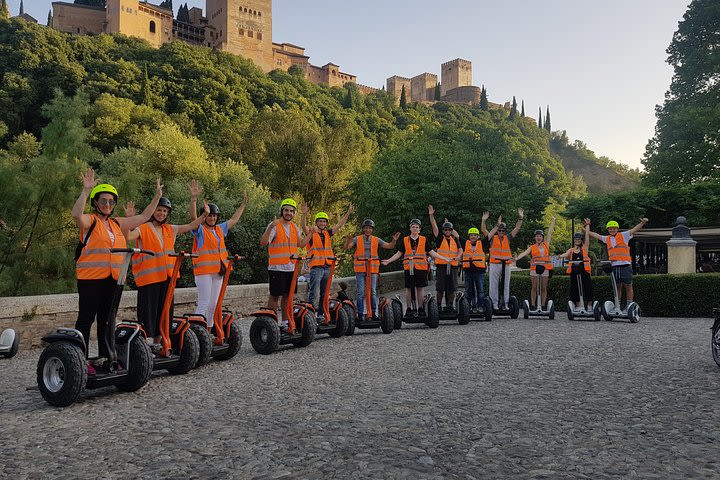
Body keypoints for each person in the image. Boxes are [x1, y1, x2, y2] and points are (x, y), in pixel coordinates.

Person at [72, 168, 163, 368]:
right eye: (103, 201)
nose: (107, 204)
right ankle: (79, 360)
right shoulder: (91, 220)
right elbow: (76, 215)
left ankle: (106, 357)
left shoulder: (116, 223)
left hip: (113, 279)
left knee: (107, 320)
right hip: (90, 278)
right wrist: (86, 191)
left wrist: (157, 197)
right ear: (96, 202)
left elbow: (144, 216)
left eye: (111, 202)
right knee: (86, 319)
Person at [125, 193, 209, 346]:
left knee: (164, 313)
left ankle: (157, 344)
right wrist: (130, 219)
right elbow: (129, 236)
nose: (162, 213)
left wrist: (203, 212)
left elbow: (191, 226)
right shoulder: (143, 228)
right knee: (147, 313)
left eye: (165, 211)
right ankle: (142, 346)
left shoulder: (170, 229)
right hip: (149, 279)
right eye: (159, 210)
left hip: (167, 278)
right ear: (153, 211)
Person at [189, 180, 247, 328]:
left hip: (218, 272)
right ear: (205, 216)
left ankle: (207, 332)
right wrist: (194, 199)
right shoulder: (200, 230)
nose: (212, 218)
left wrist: (243, 205)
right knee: (204, 302)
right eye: (209, 216)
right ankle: (196, 331)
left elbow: (233, 220)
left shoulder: (219, 229)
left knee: (214, 304)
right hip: (204, 272)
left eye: (214, 216)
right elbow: (193, 219)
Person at [382, 219, 450, 316]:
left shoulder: (423, 239)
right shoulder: (405, 240)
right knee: (409, 288)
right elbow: (399, 254)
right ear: (410, 229)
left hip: (421, 268)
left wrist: (443, 258)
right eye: (413, 227)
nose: (415, 228)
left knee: (420, 288)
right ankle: (409, 309)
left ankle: (421, 308)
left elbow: (431, 252)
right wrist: (388, 261)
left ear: (419, 230)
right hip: (409, 267)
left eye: (417, 227)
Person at [300, 205, 353, 320]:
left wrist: (348, 213)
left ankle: (321, 315)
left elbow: (339, 225)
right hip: (316, 268)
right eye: (320, 221)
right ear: (316, 222)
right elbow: (303, 226)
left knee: (324, 294)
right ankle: (310, 316)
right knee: (314, 293)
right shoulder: (311, 233)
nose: (322, 223)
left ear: (326, 223)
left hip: (327, 267)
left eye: (324, 221)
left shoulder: (327, 233)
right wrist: (304, 214)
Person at [586, 217, 649, 310]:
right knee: (617, 287)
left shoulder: (624, 235)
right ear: (608, 230)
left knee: (628, 285)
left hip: (625, 265)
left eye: (614, 228)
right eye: (610, 229)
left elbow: (634, 229)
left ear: (617, 229)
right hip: (614, 266)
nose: (612, 230)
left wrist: (642, 223)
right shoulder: (607, 238)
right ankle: (617, 305)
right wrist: (587, 225)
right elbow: (595, 235)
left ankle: (629, 305)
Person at [260, 198, 304, 327]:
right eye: (286, 210)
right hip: (277, 267)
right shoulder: (274, 225)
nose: (288, 213)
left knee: (287, 296)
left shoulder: (294, 227)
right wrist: (270, 228)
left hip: (291, 268)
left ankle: (285, 322)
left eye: (291, 211)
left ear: (294, 213)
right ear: (282, 211)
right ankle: (271, 324)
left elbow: (300, 244)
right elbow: (263, 242)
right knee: (274, 296)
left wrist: (311, 233)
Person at [344, 219, 400, 320]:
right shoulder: (357, 239)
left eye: (370, 228)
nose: (368, 230)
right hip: (360, 268)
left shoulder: (376, 239)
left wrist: (394, 240)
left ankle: (373, 313)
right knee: (360, 292)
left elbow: (389, 246)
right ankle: (360, 314)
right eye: (366, 228)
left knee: (373, 291)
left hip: (373, 269)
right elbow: (347, 248)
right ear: (363, 229)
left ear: (372, 229)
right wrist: (348, 240)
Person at [481, 209, 524, 309]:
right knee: (493, 285)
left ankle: (505, 304)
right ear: (497, 231)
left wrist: (520, 217)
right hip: (495, 263)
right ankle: (494, 304)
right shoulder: (492, 238)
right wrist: (483, 220)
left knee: (506, 284)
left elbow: (517, 228)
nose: (501, 232)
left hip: (506, 264)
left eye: (503, 231)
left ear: (505, 231)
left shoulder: (508, 237)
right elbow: (483, 230)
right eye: (499, 230)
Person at [514, 217, 556, 309]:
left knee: (544, 288)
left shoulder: (546, 244)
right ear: (535, 238)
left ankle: (543, 305)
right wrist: (517, 258)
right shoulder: (532, 247)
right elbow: (525, 253)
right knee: (534, 287)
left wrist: (553, 221)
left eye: (540, 236)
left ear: (542, 237)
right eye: (537, 236)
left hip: (545, 269)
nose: (538, 237)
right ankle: (533, 304)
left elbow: (549, 233)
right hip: (534, 269)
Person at [428, 205, 463, 310]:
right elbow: (434, 226)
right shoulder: (439, 238)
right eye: (445, 229)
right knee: (440, 288)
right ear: (443, 230)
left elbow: (460, 249)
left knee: (451, 288)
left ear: (452, 230)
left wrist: (458, 257)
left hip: (452, 266)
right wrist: (431, 215)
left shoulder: (455, 239)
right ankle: (438, 306)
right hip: (441, 266)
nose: (447, 231)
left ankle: (450, 306)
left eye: (449, 229)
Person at [558, 220, 593, 311]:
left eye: (578, 239)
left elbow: (587, 236)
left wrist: (587, 225)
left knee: (587, 287)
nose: (577, 240)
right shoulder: (571, 250)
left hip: (584, 271)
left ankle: (589, 306)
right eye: (575, 239)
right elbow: (566, 254)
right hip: (574, 271)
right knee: (575, 288)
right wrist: (560, 256)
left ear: (581, 240)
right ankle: (578, 305)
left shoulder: (584, 248)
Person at [461, 227, 487, 313]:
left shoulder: (482, 243)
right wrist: (449, 226)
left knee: (480, 289)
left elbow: (490, 235)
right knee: (468, 289)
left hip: (479, 270)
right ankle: (468, 307)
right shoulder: (465, 243)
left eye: (475, 235)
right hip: (468, 270)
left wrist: (497, 226)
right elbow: (456, 235)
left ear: (478, 236)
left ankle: (480, 306)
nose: (473, 237)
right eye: (471, 235)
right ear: (469, 236)